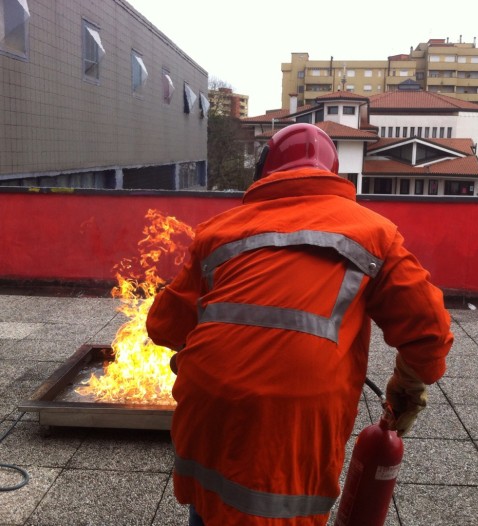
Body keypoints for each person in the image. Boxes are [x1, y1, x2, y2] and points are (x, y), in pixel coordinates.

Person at [146, 123, 454, 526]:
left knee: (211, 499)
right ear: (333, 173)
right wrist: (407, 387)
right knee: (279, 510)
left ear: (263, 173)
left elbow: (163, 326)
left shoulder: (219, 231)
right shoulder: (374, 233)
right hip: (298, 418)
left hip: (208, 405)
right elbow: (429, 330)